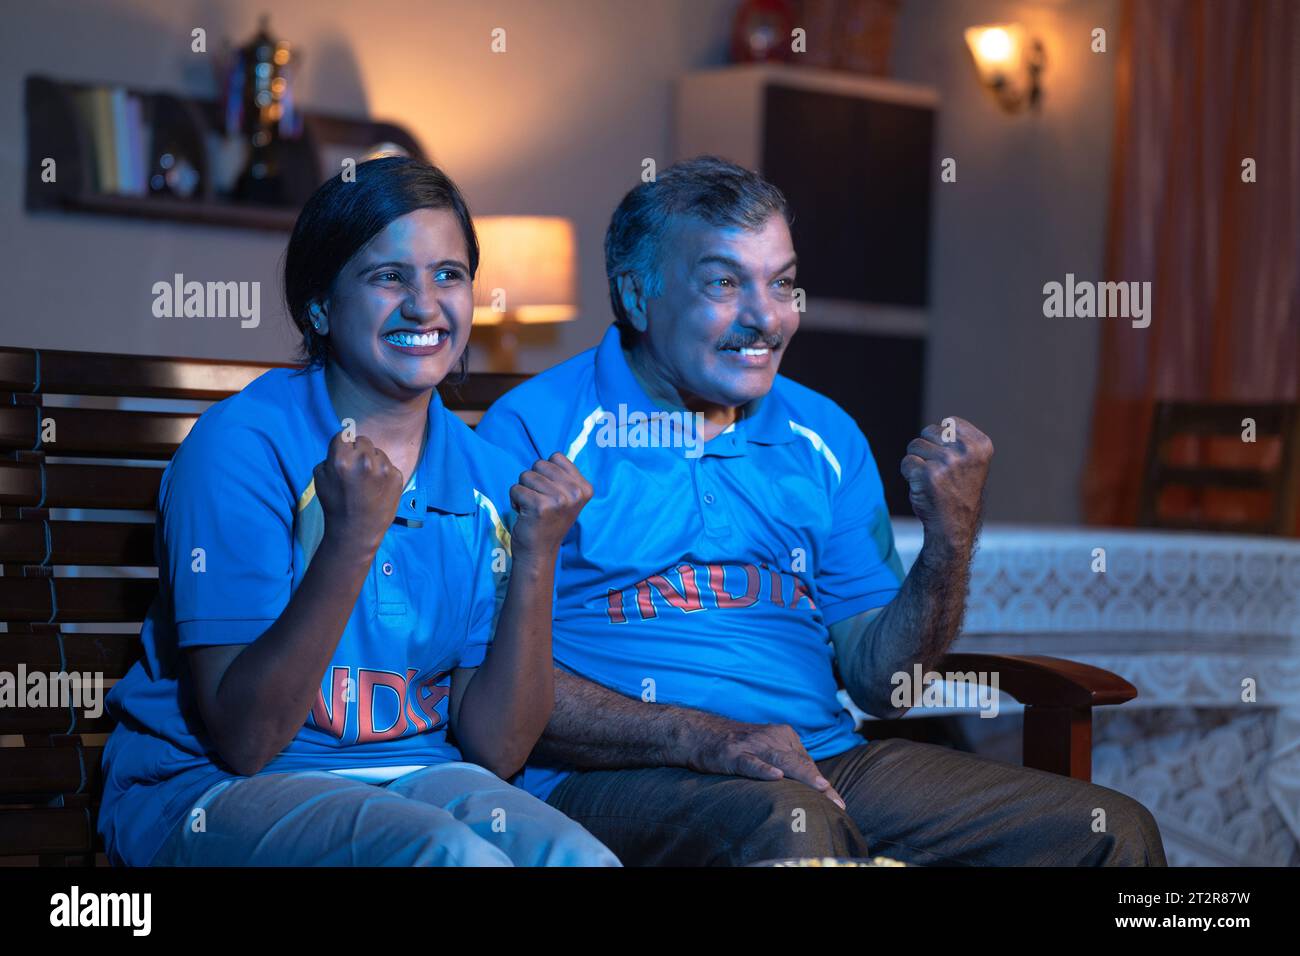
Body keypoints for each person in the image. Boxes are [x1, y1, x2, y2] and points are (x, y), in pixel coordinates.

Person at [476, 155, 1167, 866]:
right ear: (637, 293)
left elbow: (881, 683)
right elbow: (484, 681)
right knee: (795, 825)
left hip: (824, 761)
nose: (765, 318)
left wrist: (949, 542)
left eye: (781, 283)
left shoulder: (824, 434)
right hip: (614, 778)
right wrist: (704, 735)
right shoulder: (532, 430)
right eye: (723, 281)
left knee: (1108, 830)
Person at [98, 157, 618, 867]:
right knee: (448, 858)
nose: (425, 306)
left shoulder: (486, 475)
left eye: (449, 274)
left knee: (577, 860)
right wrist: (349, 539)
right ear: (319, 306)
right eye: (388, 277)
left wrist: (536, 557)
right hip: (210, 791)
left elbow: (497, 749)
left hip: (419, 776)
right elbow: (245, 738)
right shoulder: (240, 448)